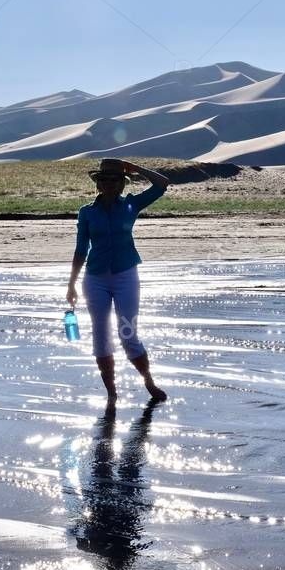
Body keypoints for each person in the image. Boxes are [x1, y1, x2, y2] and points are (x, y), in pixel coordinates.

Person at [66, 158, 170, 405]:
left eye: (115, 180)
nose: (110, 184)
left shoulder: (132, 205)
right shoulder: (87, 212)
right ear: (98, 184)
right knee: (101, 336)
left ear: (122, 184)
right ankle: (111, 393)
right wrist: (71, 283)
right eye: (104, 180)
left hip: (126, 275)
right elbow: (81, 249)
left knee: (128, 333)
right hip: (95, 279)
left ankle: (148, 381)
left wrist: (135, 169)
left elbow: (162, 184)